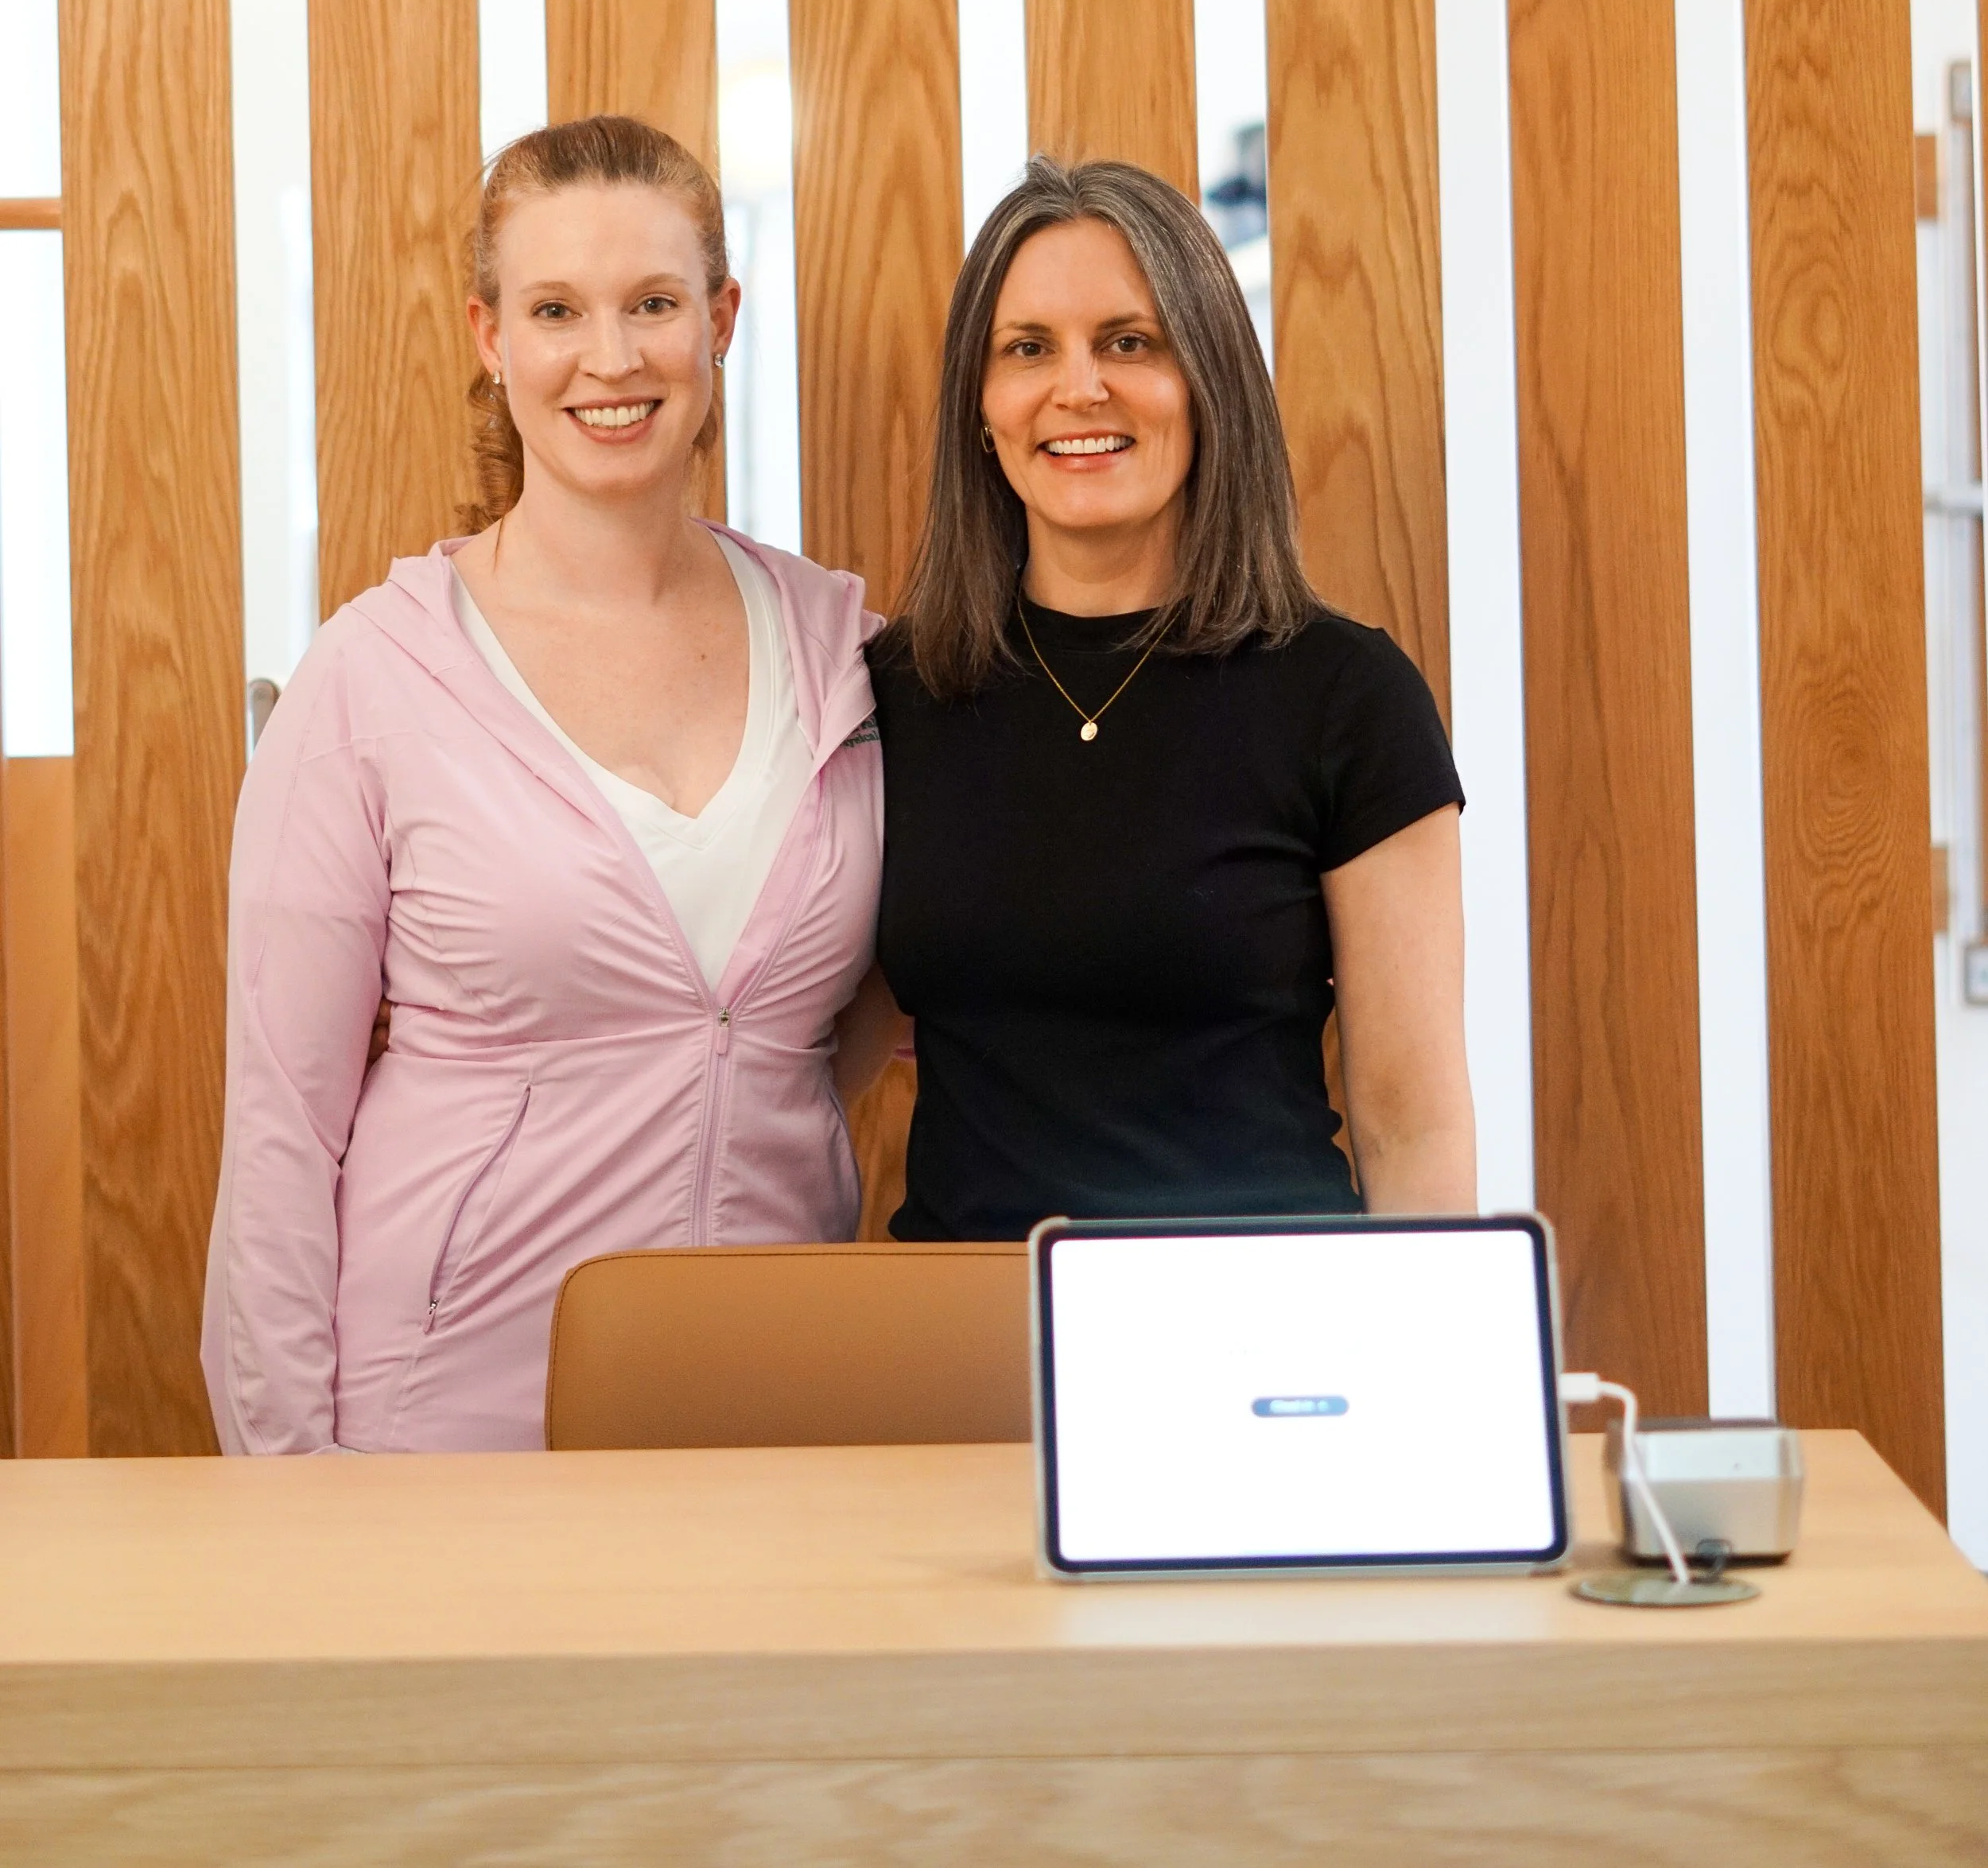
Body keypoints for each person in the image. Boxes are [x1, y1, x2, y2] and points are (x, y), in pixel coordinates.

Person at [203, 115, 900, 1454]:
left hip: (774, 1418)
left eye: (653, 302)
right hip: (448, 1427)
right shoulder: (374, 679)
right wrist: (285, 1491)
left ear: (721, 318)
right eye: (556, 309)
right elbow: (280, 1137)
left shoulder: (847, 655)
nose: (611, 357)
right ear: (491, 336)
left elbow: (871, 1001)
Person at [867, 156, 1474, 1239]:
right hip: (963, 1338)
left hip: (1255, 1335)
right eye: (1029, 348)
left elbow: (1411, 1122)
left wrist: (1421, 1379)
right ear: (983, 405)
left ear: (1208, 380)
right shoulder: (895, 695)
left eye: (1129, 340)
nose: (1080, 386)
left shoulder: (1347, 696)